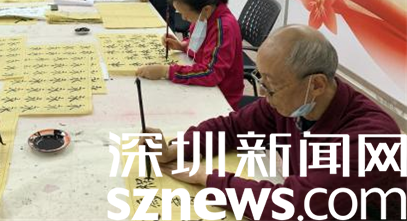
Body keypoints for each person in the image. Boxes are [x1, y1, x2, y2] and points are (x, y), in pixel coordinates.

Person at [143, 25, 406, 220]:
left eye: (271, 86)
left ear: (316, 84)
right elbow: (234, 127)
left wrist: (206, 177)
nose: (263, 94)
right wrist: (177, 148)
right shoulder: (292, 102)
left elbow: (294, 204)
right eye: (261, 81)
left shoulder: (370, 138)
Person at [136, 0, 244, 109]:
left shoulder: (223, 28)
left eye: (186, 15)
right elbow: (200, 42)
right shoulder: (204, 16)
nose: (183, 18)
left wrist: (166, 71)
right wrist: (182, 46)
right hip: (203, 86)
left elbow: (211, 73)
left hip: (221, 97)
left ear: (206, 9)